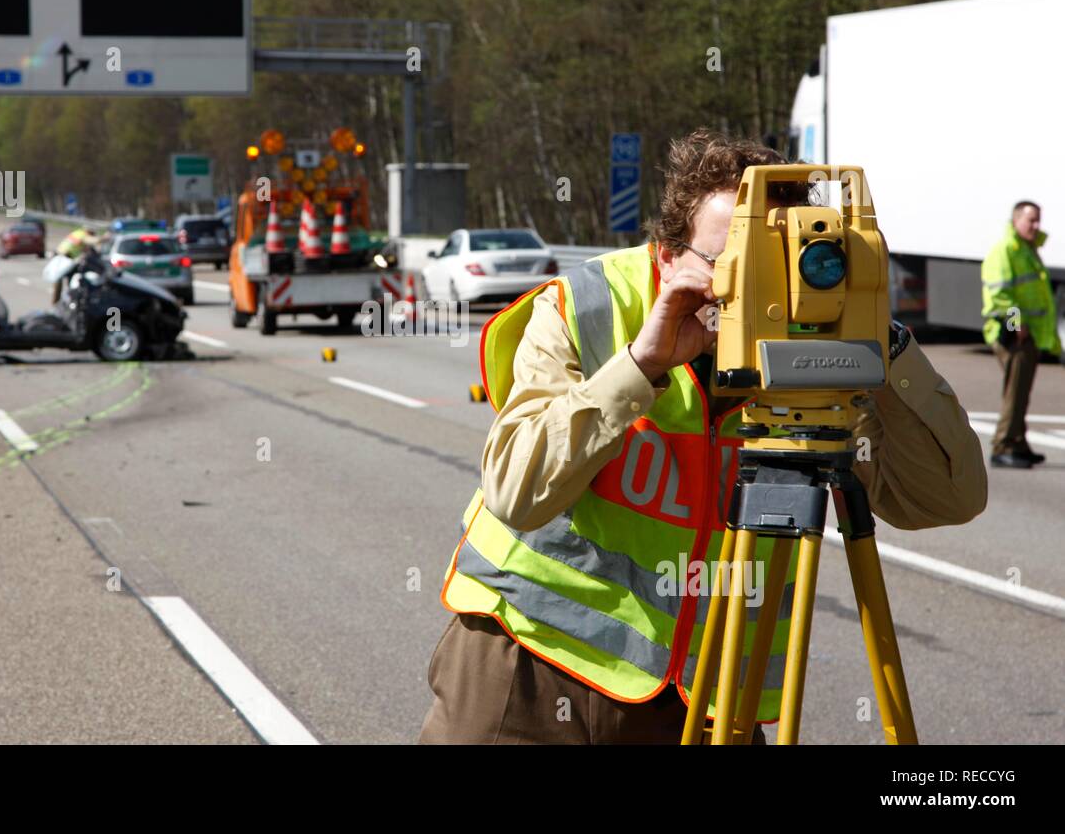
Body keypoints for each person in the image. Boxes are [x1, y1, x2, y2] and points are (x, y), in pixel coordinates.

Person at [419, 129, 988, 745]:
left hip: (703, 700)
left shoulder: (825, 352)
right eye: (734, 266)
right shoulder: (589, 307)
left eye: (775, 267)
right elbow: (516, 492)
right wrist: (639, 366)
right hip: (529, 663)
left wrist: (887, 347)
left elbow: (945, 500)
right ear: (668, 256)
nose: (758, 291)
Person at [980, 201, 1060, 469]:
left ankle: (1019, 444)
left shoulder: (1027, 249)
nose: (1035, 226)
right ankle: (1002, 446)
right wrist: (1017, 327)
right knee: (1014, 394)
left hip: (1028, 335)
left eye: (1038, 220)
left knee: (1021, 393)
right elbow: (1001, 296)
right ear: (1016, 221)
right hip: (1014, 336)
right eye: (1030, 221)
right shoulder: (1006, 251)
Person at [52, 225, 103, 303]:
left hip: (59, 255)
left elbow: (85, 249)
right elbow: (94, 241)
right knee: (73, 278)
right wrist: (104, 238)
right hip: (65, 258)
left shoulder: (77, 233)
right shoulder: (84, 236)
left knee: (58, 281)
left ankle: (57, 301)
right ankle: (69, 299)